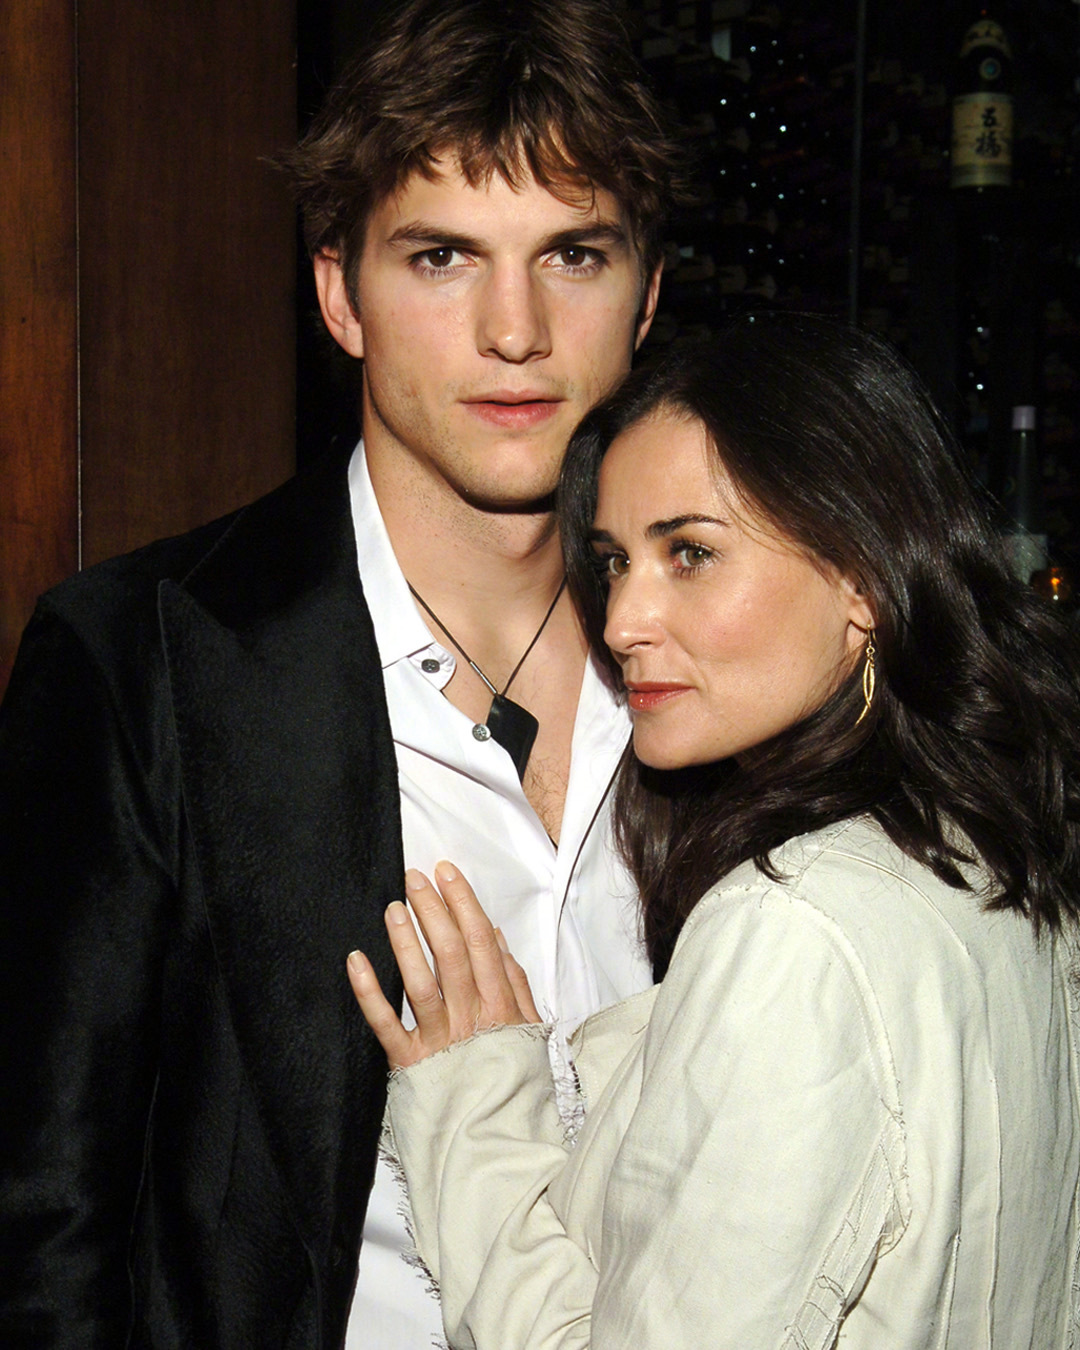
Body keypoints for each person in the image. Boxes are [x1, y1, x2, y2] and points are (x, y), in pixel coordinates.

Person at [0, 1, 685, 1344]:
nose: (514, 328)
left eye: (573, 255)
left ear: (647, 296)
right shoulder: (141, 661)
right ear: (339, 293)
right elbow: (42, 1226)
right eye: (442, 256)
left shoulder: (735, 668)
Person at [350, 314, 1080, 1348]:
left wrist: (476, 1112)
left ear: (863, 577)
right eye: (614, 562)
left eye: (690, 553)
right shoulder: (1000, 856)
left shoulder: (793, 933)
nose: (621, 621)